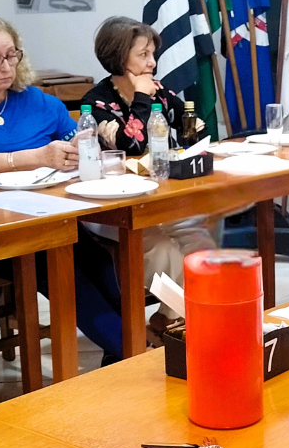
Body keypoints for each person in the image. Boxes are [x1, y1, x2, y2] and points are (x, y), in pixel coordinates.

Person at [0, 12, 124, 363]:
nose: (6, 65)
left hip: (49, 220)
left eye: (12, 55)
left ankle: (123, 352)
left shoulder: (37, 100)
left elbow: (73, 142)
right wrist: (36, 157)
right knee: (58, 264)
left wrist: (82, 147)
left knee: (97, 259)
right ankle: (135, 352)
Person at [82, 17, 222, 338]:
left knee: (199, 239)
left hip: (156, 201)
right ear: (119, 58)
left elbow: (196, 129)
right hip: (115, 209)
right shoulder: (96, 102)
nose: (152, 62)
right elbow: (133, 144)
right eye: (143, 55)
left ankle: (169, 319)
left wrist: (187, 128)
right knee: (164, 250)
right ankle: (183, 324)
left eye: (152, 53)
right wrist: (143, 100)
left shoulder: (158, 91)